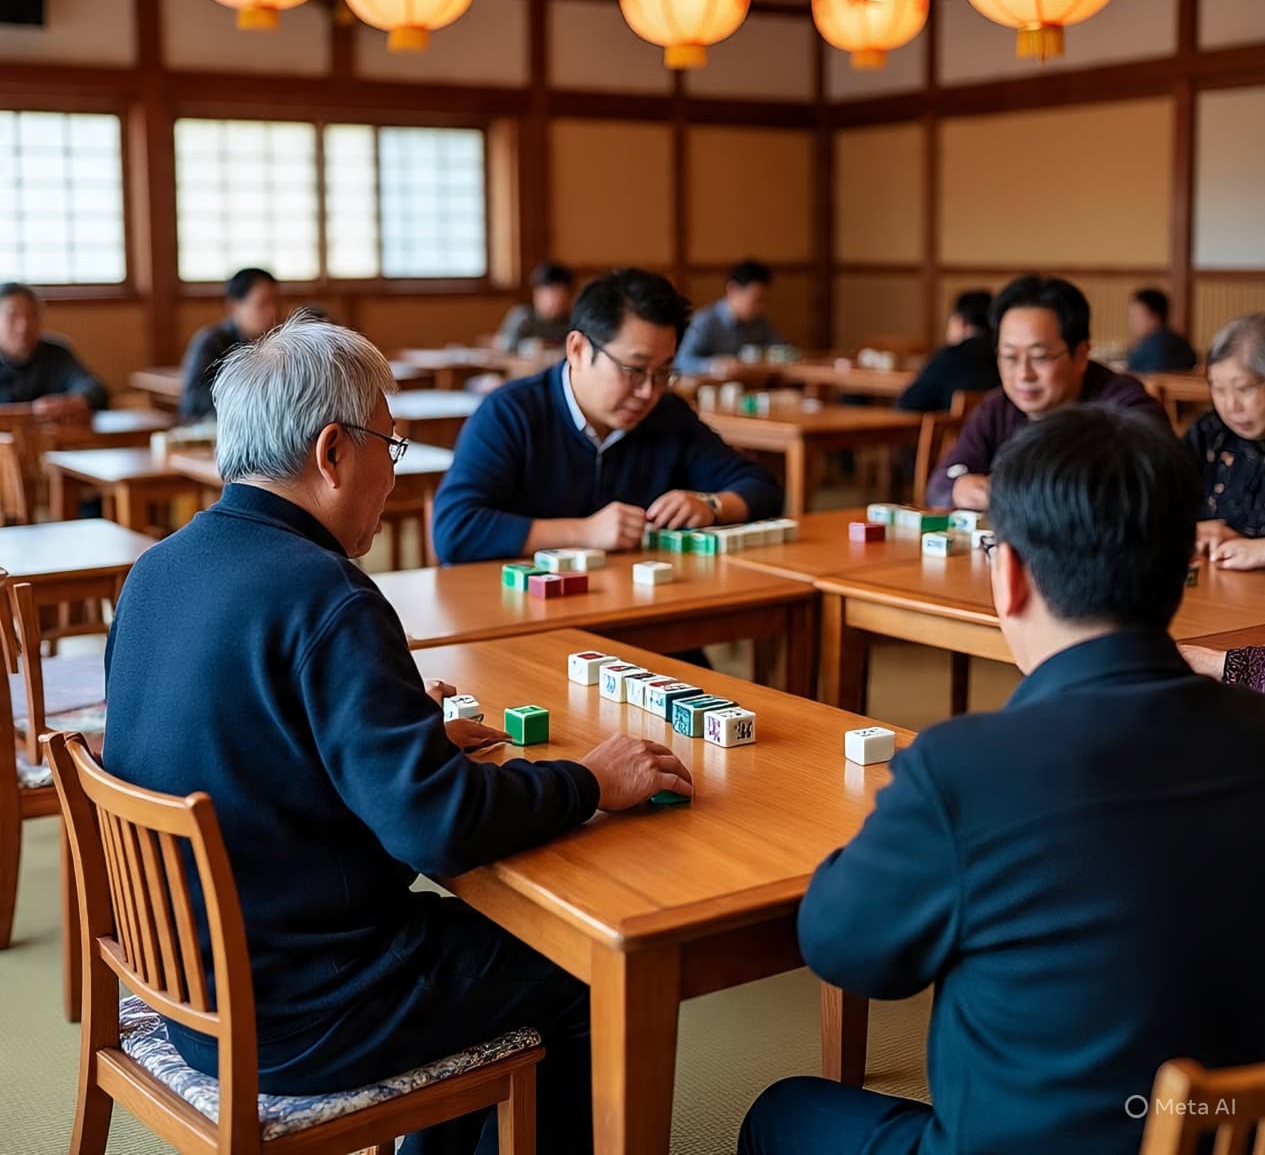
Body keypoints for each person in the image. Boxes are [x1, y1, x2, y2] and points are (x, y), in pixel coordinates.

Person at [103, 315, 693, 1155]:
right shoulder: (326, 595)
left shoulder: (159, 568)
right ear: (334, 451)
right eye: (392, 442)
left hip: (187, 981)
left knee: (480, 958)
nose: (395, 470)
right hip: (305, 1008)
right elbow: (437, 828)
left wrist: (401, 737)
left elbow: (243, 740)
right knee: (582, 971)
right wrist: (592, 781)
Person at [740, 405, 1265, 1155]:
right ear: (1180, 570)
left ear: (1011, 574)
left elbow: (843, 948)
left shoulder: (965, 769)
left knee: (783, 1113)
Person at [432, 268, 782, 565]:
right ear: (578, 350)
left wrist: (711, 506)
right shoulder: (510, 413)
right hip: (523, 619)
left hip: (637, 610)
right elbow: (454, 529)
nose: (648, 391)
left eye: (663, 373)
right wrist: (585, 532)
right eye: (634, 369)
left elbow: (762, 487)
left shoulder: (667, 415)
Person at [925, 275, 1167, 509]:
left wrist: (1012, 494)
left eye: (1039, 357)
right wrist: (959, 487)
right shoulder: (997, 407)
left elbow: (1148, 493)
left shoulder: (1125, 409)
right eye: (1009, 357)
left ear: (1081, 355)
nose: (1023, 374)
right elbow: (940, 485)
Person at [1185, 314, 1265, 571]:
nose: (1230, 406)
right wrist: (1193, 531)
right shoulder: (1209, 433)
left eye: (1243, 389)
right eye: (1218, 389)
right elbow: (1158, 506)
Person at [178, 266, 280, 421]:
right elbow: (194, 401)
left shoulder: (281, 344)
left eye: (276, 302)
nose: (273, 311)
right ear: (233, 307)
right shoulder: (211, 342)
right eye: (263, 304)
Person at [0, 282, 108, 421]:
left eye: (31, 315)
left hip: (55, 440)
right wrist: (29, 411)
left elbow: (94, 387)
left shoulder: (56, 353)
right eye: (13, 317)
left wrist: (73, 402)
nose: (23, 326)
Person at [896, 290, 999, 413]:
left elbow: (907, 404)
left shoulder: (951, 356)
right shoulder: (1004, 355)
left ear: (961, 322)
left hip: (955, 432)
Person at [674, 259, 784, 374]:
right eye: (757, 300)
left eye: (764, 300)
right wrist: (714, 365)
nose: (761, 307)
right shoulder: (705, 321)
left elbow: (781, 350)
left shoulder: (760, 323)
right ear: (733, 289)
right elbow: (681, 361)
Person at [493, 262, 574, 354]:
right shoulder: (523, 316)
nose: (558, 301)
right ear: (537, 294)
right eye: (554, 295)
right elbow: (503, 344)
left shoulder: (572, 320)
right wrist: (528, 346)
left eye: (563, 296)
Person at [1126, 287, 1197, 373]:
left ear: (1155, 317)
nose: (1131, 321)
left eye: (1136, 316)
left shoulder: (1152, 346)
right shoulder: (1178, 340)